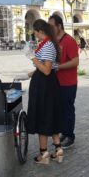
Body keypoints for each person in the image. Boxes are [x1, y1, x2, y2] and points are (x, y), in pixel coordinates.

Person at [26, 19, 64, 164]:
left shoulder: (48, 45)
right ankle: (58, 149)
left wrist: (32, 57)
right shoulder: (48, 44)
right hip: (47, 83)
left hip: (44, 85)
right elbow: (46, 67)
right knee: (51, 115)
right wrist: (32, 73)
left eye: (35, 32)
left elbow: (47, 70)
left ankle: (44, 154)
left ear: (40, 31)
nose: (34, 35)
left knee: (43, 116)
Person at [49, 15, 79, 149]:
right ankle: (64, 133)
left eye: (52, 26)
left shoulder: (70, 41)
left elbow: (75, 61)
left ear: (59, 26)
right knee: (60, 110)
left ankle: (70, 136)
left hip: (68, 83)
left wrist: (58, 67)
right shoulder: (53, 41)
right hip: (56, 82)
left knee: (68, 109)